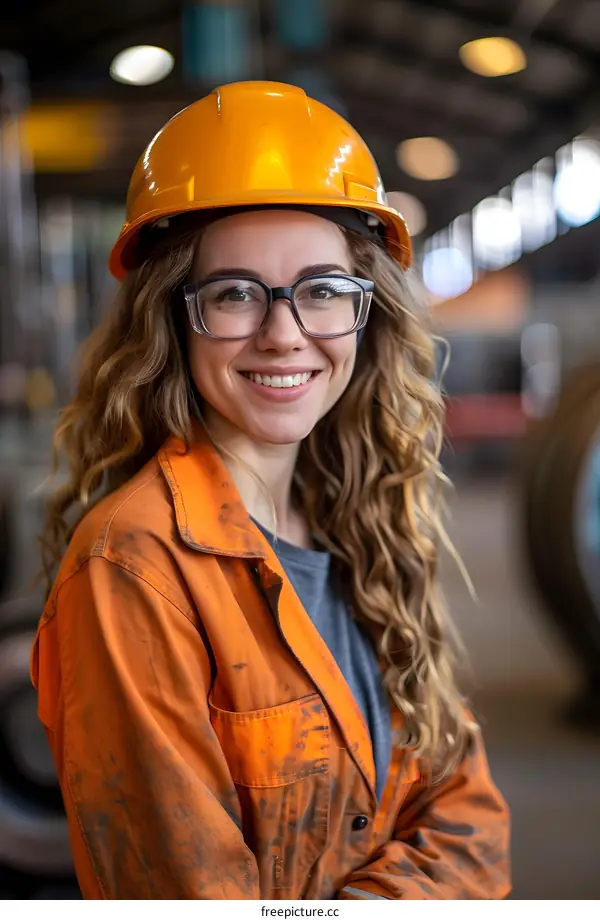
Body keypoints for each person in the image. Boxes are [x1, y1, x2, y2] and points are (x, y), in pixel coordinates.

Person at [31, 80, 510, 900]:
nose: (284, 333)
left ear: (369, 315)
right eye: (235, 294)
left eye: (323, 290)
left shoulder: (362, 520)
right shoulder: (133, 568)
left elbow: (471, 817)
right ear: (172, 319)